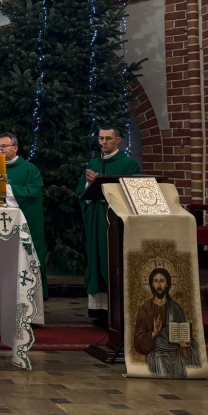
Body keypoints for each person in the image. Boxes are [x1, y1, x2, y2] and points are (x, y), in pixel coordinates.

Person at [76, 125, 141, 322]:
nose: (104, 142)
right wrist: (90, 184)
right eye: (101, 138)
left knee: (112, 260)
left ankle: (117, 310)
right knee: (96, 259)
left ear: (118, 140)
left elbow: (133, 192)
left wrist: (101, 183)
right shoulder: (93, 163)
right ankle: (98, 309)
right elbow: (80, 192)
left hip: (115, 221)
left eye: (108, 138)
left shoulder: (129, 164)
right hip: (95, 219)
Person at [0, 133, 47, 300]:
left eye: (4, 146)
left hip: (22, 225)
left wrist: (3, 189)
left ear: (15, 148)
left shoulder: (29, 169)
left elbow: (32, 192)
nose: (0, 150)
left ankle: (25, 299)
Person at [133, 267, 201, 378]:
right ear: (152, 285)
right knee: (160, 363)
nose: (159, 285)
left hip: (175, 353)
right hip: (156, 353)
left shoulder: (176, 308)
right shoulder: (145, 309)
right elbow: (138, 340)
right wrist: (154, 333)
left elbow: (183, 334)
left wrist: (184, 345)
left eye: (162, 281)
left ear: (168, 284)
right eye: (156, 281)